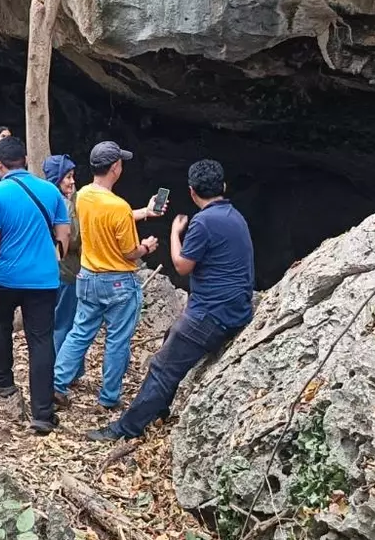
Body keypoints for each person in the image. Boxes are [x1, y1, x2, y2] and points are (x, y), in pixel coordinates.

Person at [87, 159, 254, 442]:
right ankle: (161, 407)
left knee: (162, 367)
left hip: (212, 315)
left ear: (191, 192)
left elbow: (181, 265)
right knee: (170, 336)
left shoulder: (203, 222)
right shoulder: (234, 216)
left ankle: (126, 429)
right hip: (237, 308)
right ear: (223, 187)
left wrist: (175, 233)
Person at [52, 141, 164, 410]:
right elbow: (129, 252)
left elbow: (107, 221)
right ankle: (108, 397)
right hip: (118, 283)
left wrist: (145, 212)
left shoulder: (82, 196)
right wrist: (146, 247)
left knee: (79, 333)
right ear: (115, 167)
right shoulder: (118, 206)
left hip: (87, 276)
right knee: (117, 340)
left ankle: (56, 385)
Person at [0, 137, 71, 434]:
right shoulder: (51, 191)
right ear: (27, 161)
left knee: (0, 325)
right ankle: (42, 413)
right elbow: (64, 233)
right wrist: (55, 258)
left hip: (6, 276)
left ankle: (2, 381)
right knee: (41, 341)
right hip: (43, 279)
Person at [41, 154, 81, 375]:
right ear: (57, 179)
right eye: (68, 177)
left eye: (73, 176)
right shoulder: (64, 204)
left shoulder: (43, 198)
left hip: (47, 269)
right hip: (67, 270)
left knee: (55, 320)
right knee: (65, 323)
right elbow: (72, 238)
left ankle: (64, 369)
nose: (72, 181)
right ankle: (62, 372)